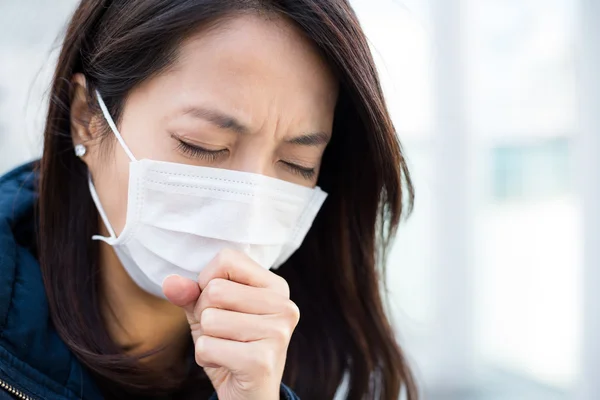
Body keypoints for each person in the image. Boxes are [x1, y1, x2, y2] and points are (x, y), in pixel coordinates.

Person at [0, 0, 417, 399]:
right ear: (87, 119)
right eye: (201, 145)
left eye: (297, 164)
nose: (247, 209)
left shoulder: (331, 357)